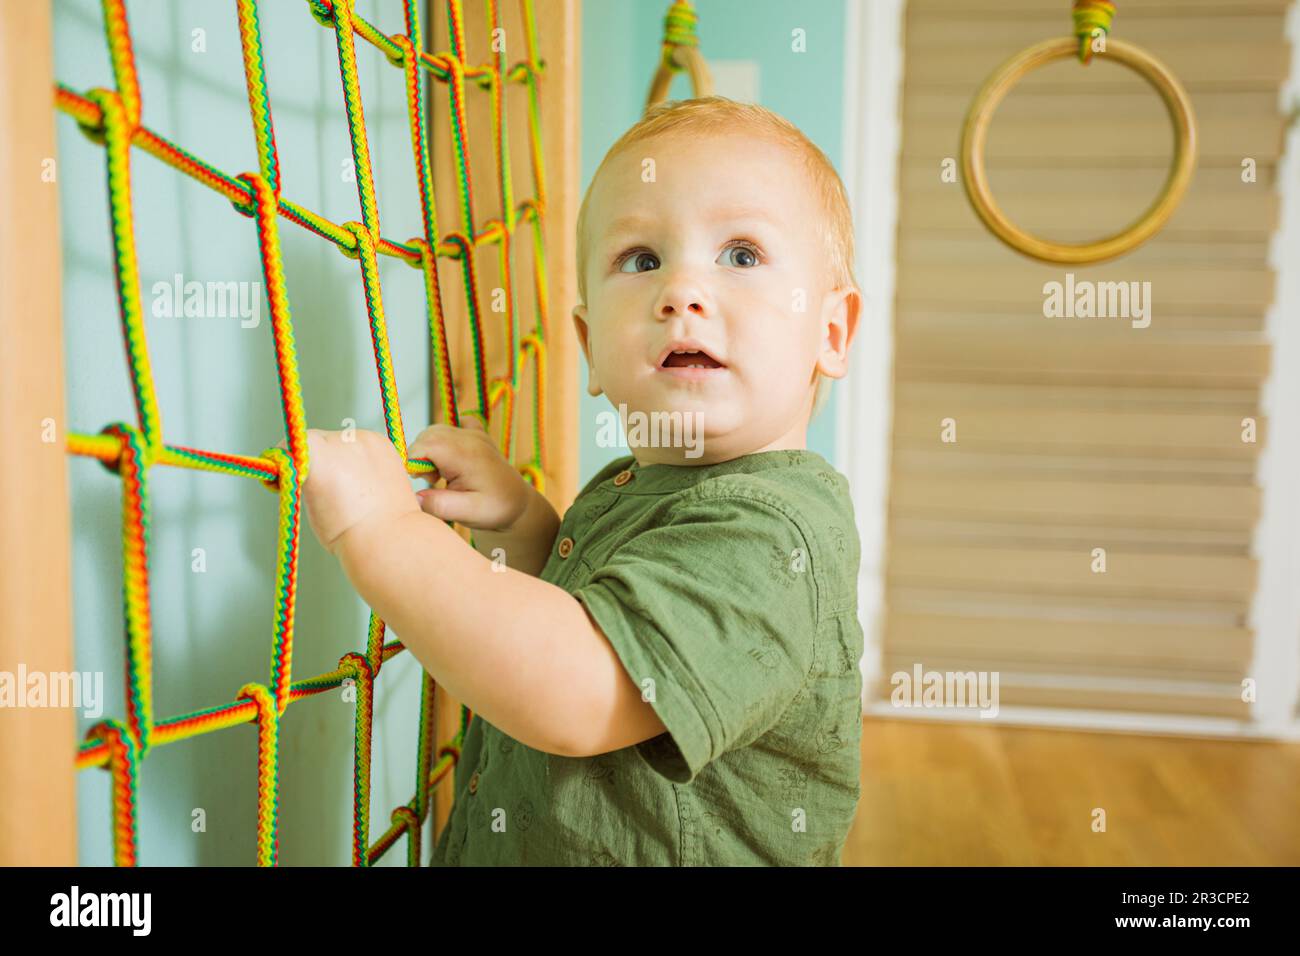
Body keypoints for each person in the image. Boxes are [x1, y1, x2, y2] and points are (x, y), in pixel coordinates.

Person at [292, 95, 863, 865]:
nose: (681, 292)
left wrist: (381, 533)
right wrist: (525, 526)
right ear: (591, 346)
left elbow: (579, 691)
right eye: (642, 259)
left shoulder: (770, 536)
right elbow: (585, 613)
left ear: (830, 332)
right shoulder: (631, 483)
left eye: (741, 255)